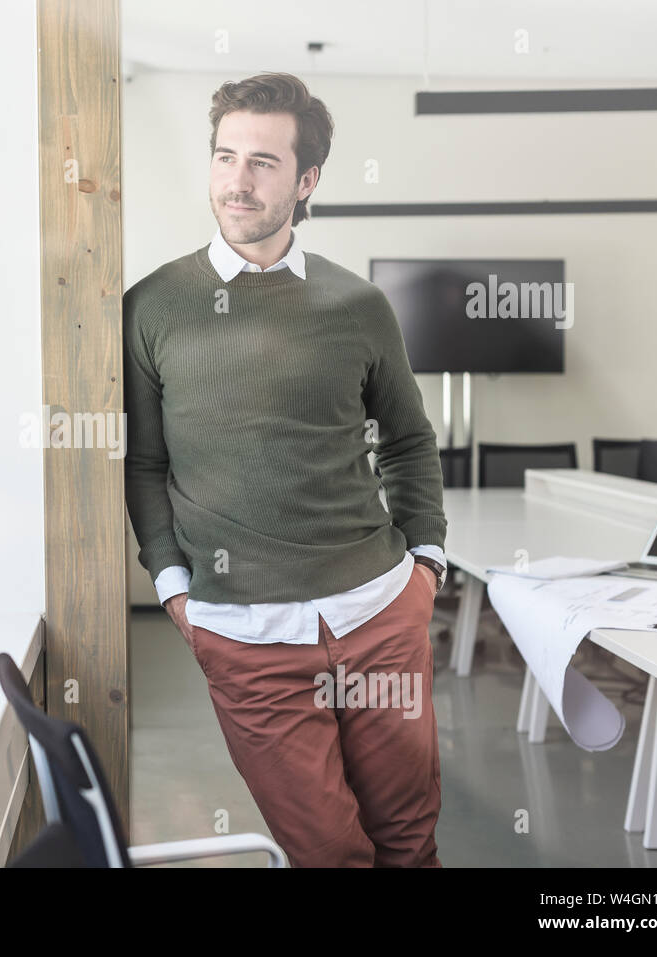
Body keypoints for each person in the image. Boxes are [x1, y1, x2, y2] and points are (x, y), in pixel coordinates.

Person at [123, 72, 449, 867]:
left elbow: (407, 440)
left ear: (306, 182)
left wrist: (426, 565)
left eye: (263, 162)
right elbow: (144, 461)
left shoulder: (358, 305)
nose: (238, 180)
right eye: (225, 156)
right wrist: (172, 584)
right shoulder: (150, 307)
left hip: (379, 615)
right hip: (245, 635)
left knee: (409, 838)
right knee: (329, 852)